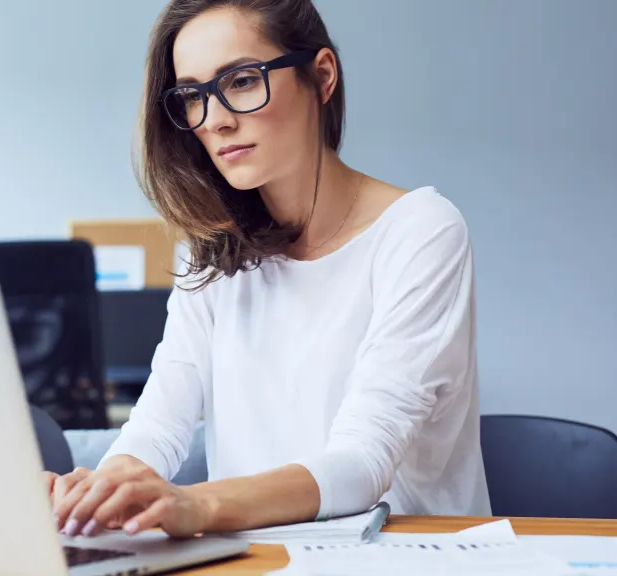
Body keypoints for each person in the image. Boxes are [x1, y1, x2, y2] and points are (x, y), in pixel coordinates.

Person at [50, 0, 491, 539]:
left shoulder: (421, 231)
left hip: (401, 557)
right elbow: (157, 428)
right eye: (192, 96)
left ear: (321, 76)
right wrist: (103, 491)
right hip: (254, 559)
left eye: (240, 81)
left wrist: (194, 504)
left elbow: (361, 464)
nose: (214, 120)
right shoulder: (212, 250)